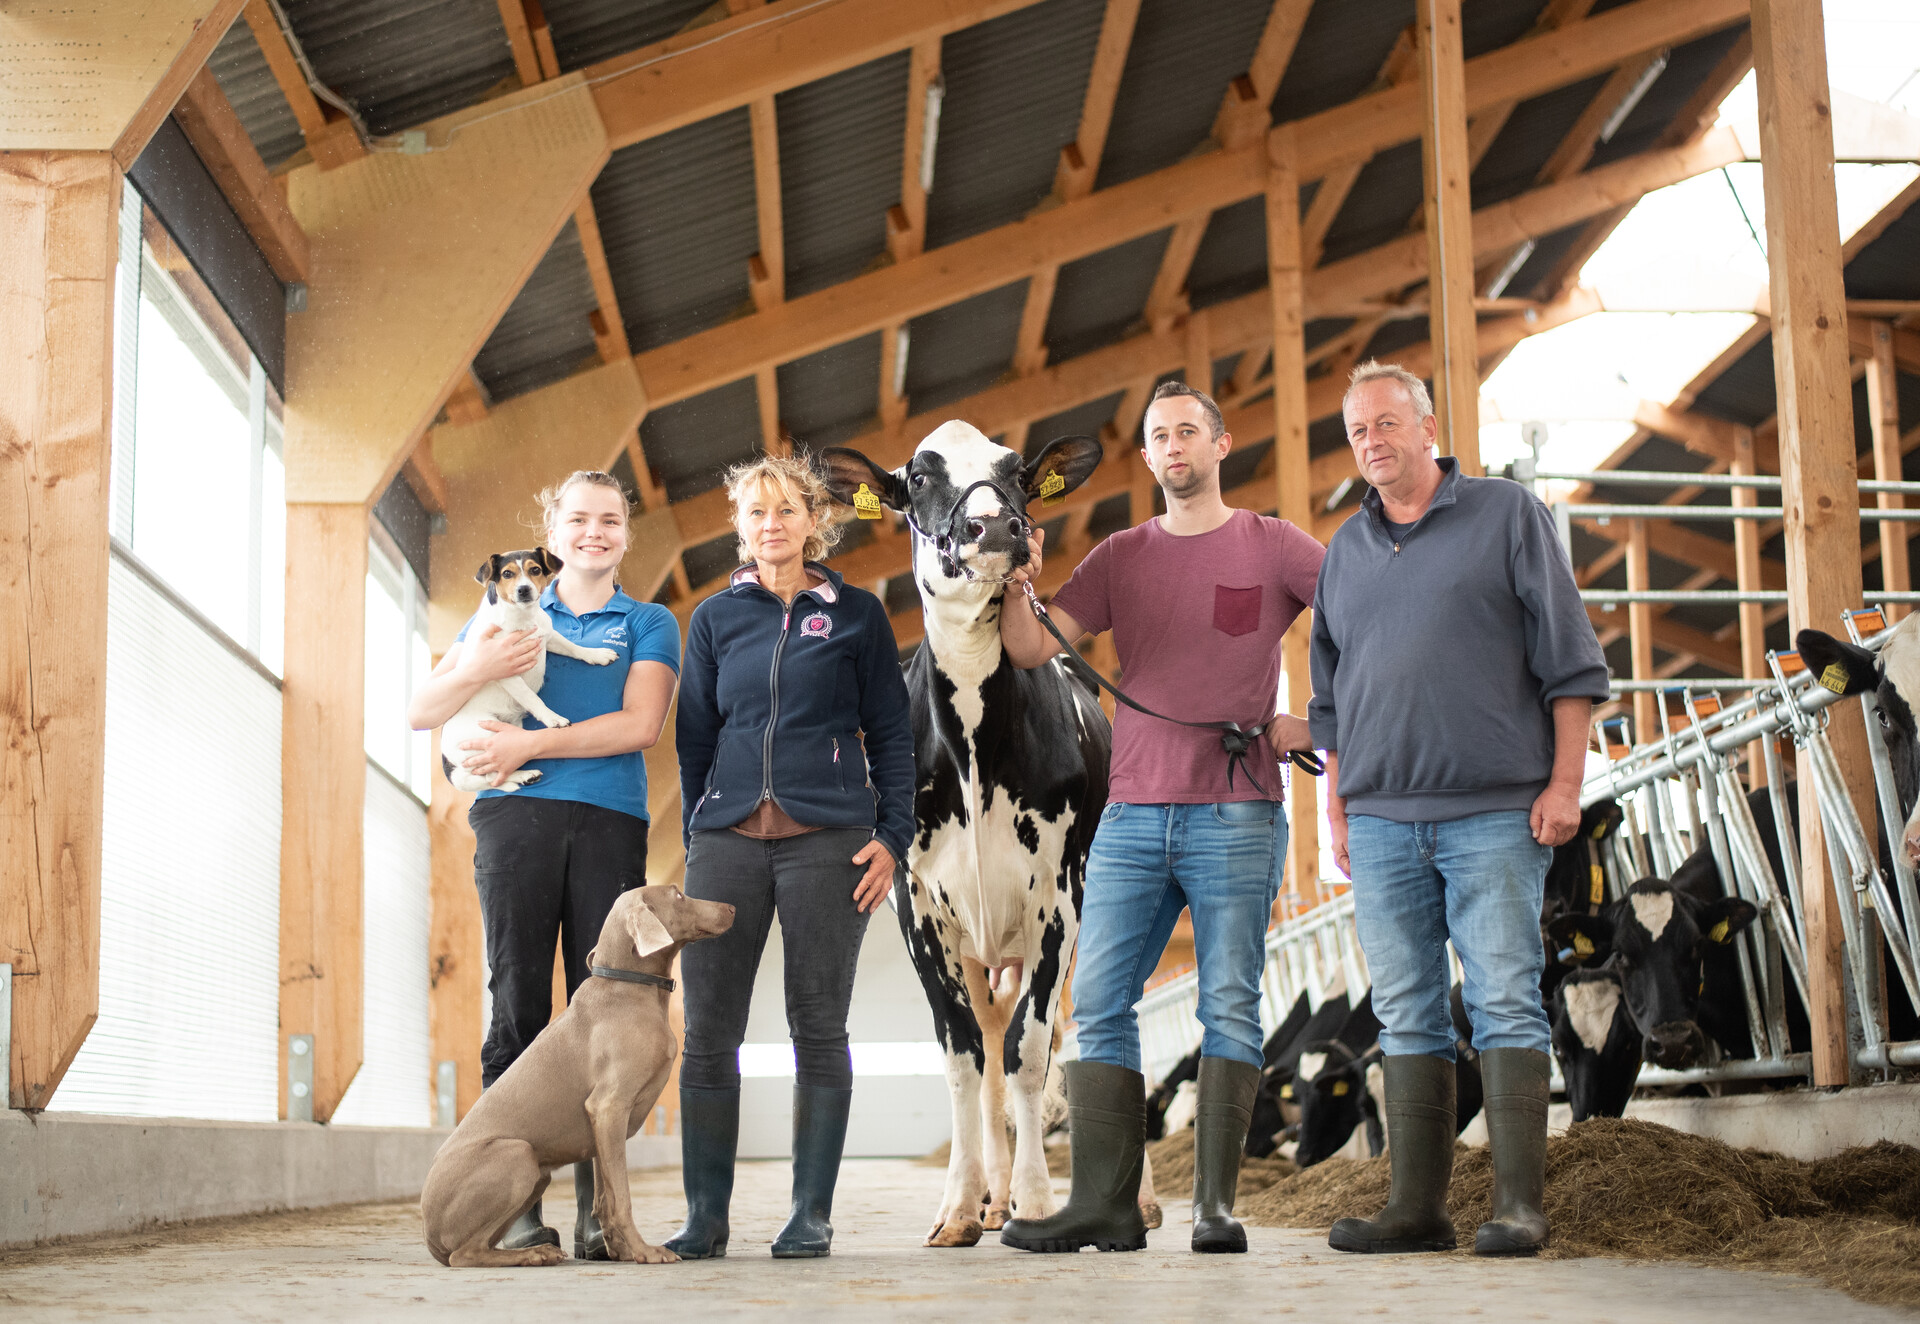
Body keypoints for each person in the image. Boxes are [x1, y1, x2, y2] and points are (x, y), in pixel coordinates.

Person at [996, 380, 1325, 1255]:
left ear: (1220, 445)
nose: (1174, 446)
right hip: (1134, 815)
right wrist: (1017, 582)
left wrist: (1320, 718)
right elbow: (1028, 648)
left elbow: (1363, 613)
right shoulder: (1120, 557)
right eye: (1159, 437)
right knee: (1099, 999)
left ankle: (1215, 1208)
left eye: (1188, 431)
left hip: (1237, 812)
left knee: (1230, 1005)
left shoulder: (1273, 545)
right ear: (1146, 458)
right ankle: (1106, 1205)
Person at [1309, 361, 1608, 1257]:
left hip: (1494, 812)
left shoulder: (1506, 515)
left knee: (1505, 998)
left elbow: (1571, 660)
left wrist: (1565, 785)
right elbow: (1329, 700)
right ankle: (1417, 1208)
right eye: (1358, 430)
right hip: (1380, 818)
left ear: (1429, 428)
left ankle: (1518, 1206)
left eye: (1387, 422)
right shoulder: (1344, 551)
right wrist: (1337, 811)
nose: (1372, 441)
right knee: (1405, 1009)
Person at [408, 469, 680, 1258]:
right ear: (552, 534)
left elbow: (639, 725)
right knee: (516, 1000)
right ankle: (518, 1205)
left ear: (625, 534)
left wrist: (527, 743)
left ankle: (602, 1215)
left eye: (610, 520)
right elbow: (423, 710)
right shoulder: (505, 608)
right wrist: (474, 670)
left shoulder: (648, 621)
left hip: (609, 819)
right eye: (579, 519)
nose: (594, 532)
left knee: (615, 1007)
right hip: (515, 821)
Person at [667, 453, 915, 1261]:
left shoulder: (857, 615)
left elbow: (891, 732)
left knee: (819, 1025)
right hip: (726, 844)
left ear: (814, 521)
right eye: (755, 512)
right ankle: (705, 1217)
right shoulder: (714, 619)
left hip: (830, 844)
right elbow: (696, 735)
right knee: (709, 1030)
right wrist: (700, 829)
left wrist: (894, 836)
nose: (770, 524)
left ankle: (811, 1214)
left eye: (785, 510)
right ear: (739, 527)